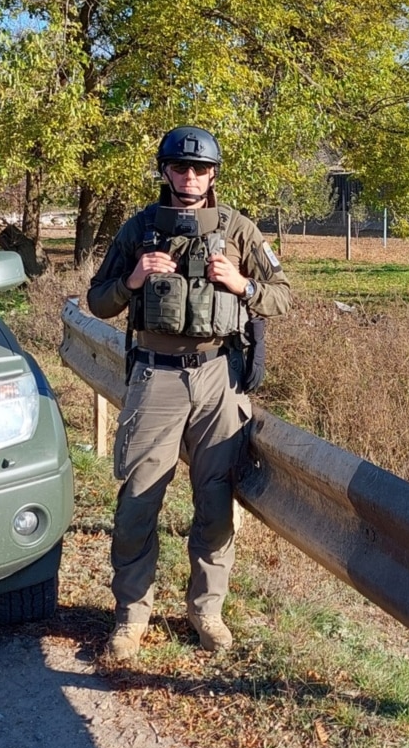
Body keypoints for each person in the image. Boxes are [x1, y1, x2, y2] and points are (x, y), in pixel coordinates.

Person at [86, 125, 291, 660]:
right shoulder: (138, 230)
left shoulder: (240, 231)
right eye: (180, 167)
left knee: (216, 500)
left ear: (214, 175)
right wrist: (132, 280)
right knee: (138, 500)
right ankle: (130, 617)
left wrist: (241, 284)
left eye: (200, 169)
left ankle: (207, 611)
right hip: (157, 377)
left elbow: (282, 297)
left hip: (218, 378)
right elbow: (98, 302)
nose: (190, 177)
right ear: (164, 171)